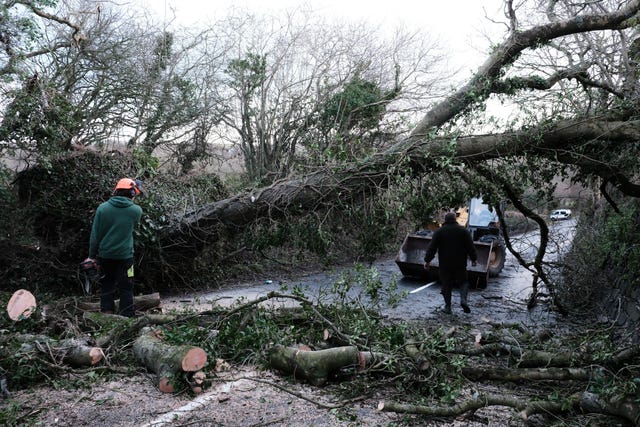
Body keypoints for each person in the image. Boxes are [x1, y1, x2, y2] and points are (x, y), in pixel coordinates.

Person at [86, 178, 143, 317]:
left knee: (106, 284)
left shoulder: (102, 208)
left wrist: (91, 256)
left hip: (105, 256)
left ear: (116, 191)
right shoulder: (136, 211)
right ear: (132, 193)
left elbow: (95, 235)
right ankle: (127, 315)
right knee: (126, 286)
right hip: (126, 257)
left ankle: (107, 313)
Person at [423, 212, 478, 314]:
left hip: (445, 264)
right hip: (460, 264)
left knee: (446, 284)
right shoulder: (463, 231)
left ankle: (448, 307)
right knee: (463, 282)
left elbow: (432, 248)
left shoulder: (439, 232)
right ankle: (463, 300)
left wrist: (427, 261)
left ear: (445, 220)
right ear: (455, 219)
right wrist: (474, 259)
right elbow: (470, 247)